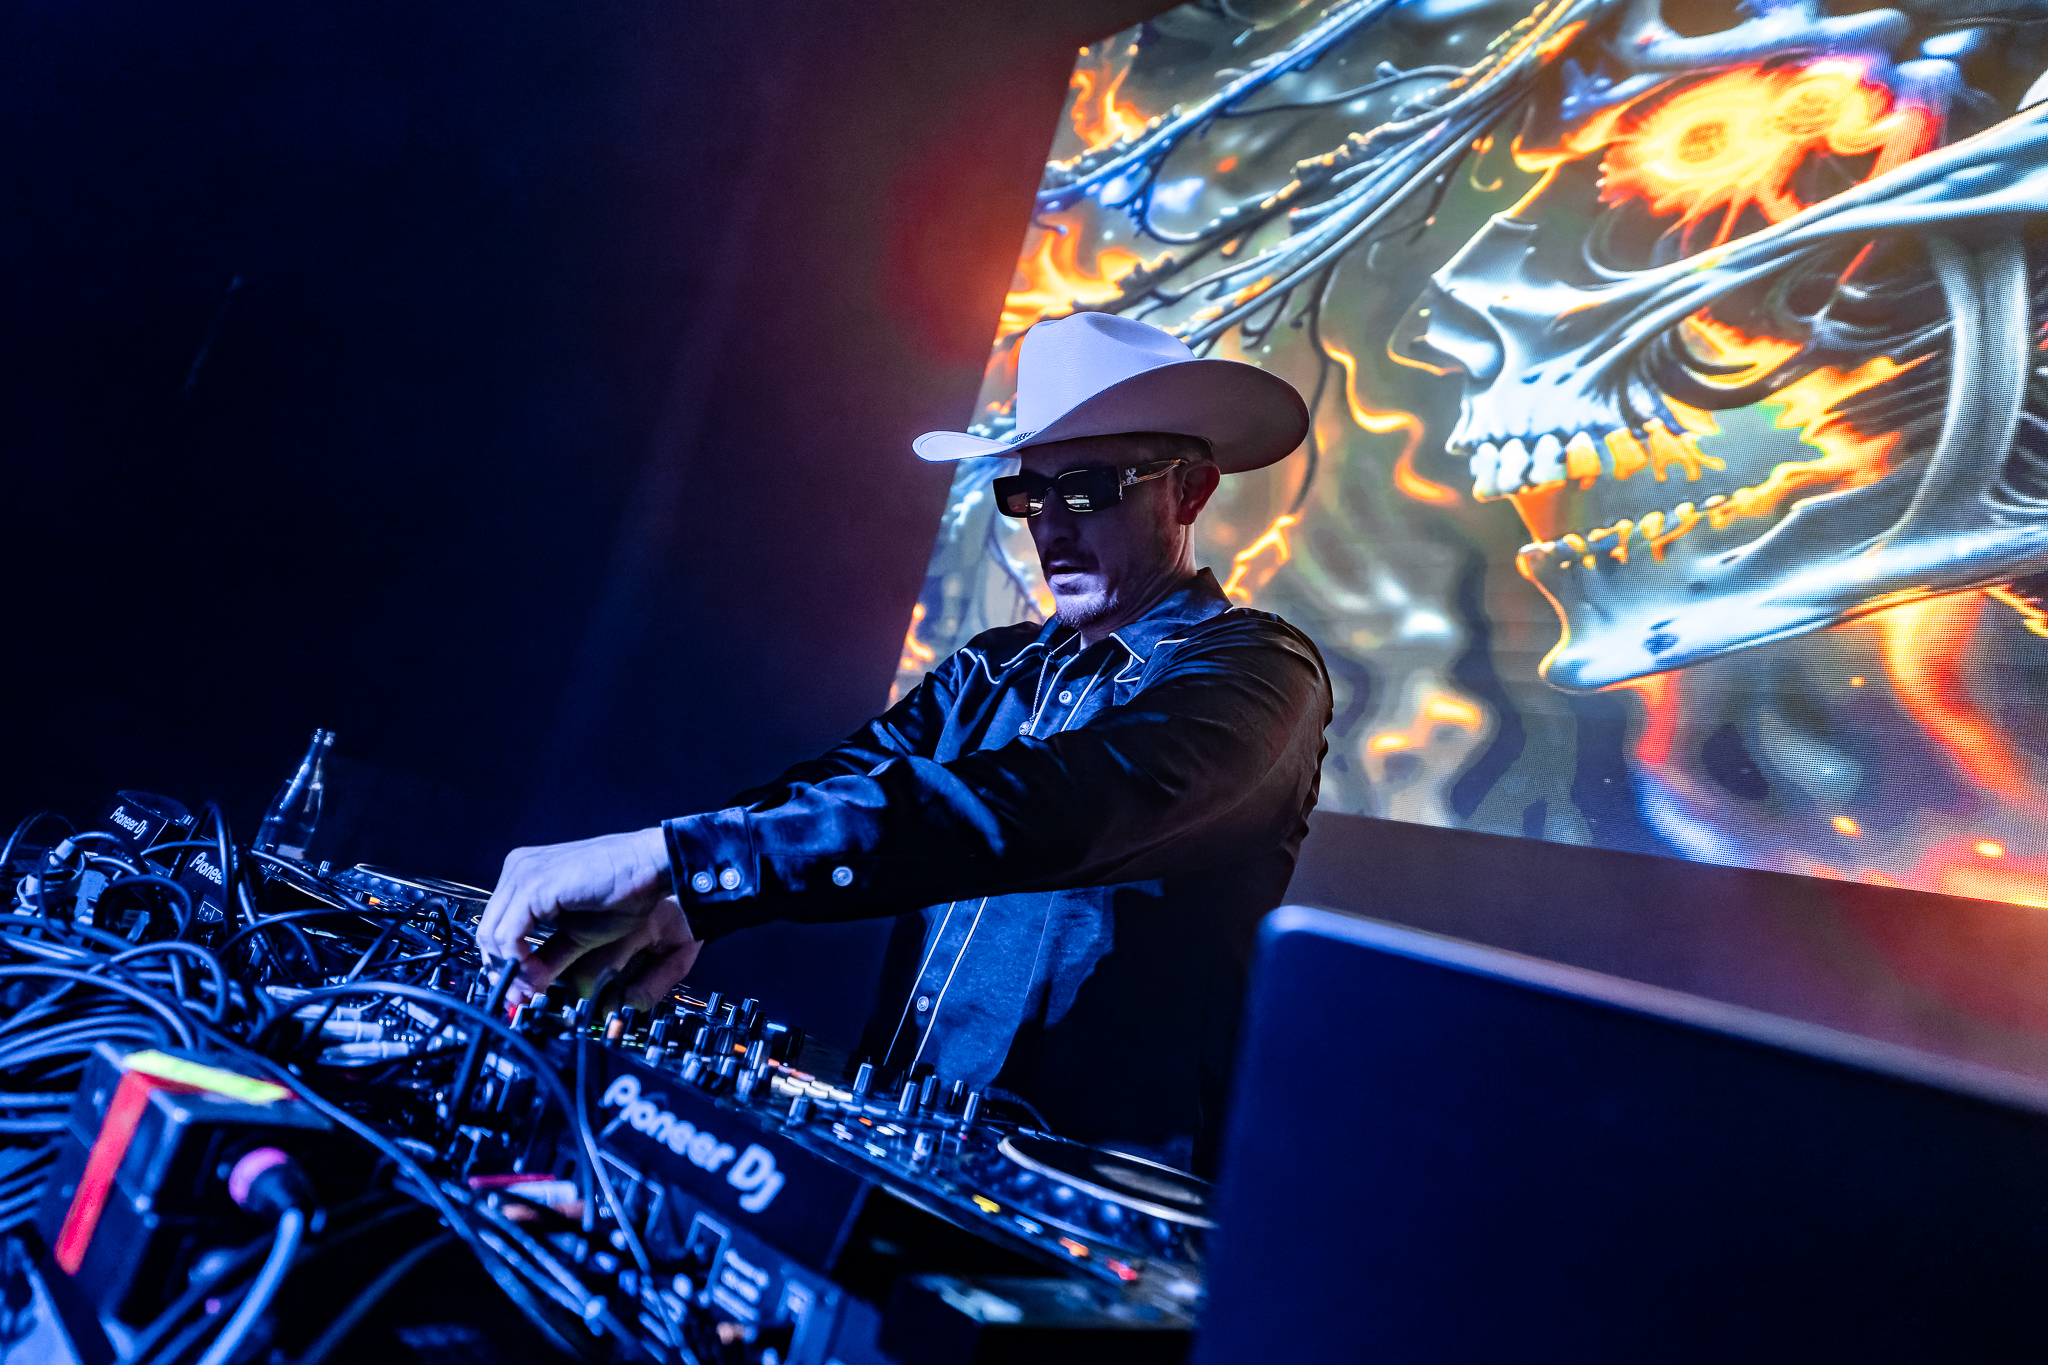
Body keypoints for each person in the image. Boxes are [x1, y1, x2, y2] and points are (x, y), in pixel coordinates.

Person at [478, 313, 1332, 1172]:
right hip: (898, 1157)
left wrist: (692, 860)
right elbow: (841, 783)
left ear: (1189, 491)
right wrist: (690, 893)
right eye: (1027, 494)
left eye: (1086, 489)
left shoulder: (1264, 673)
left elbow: (1060, 801)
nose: (1050, 525)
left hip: (1090, 1211)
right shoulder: (989, 670)